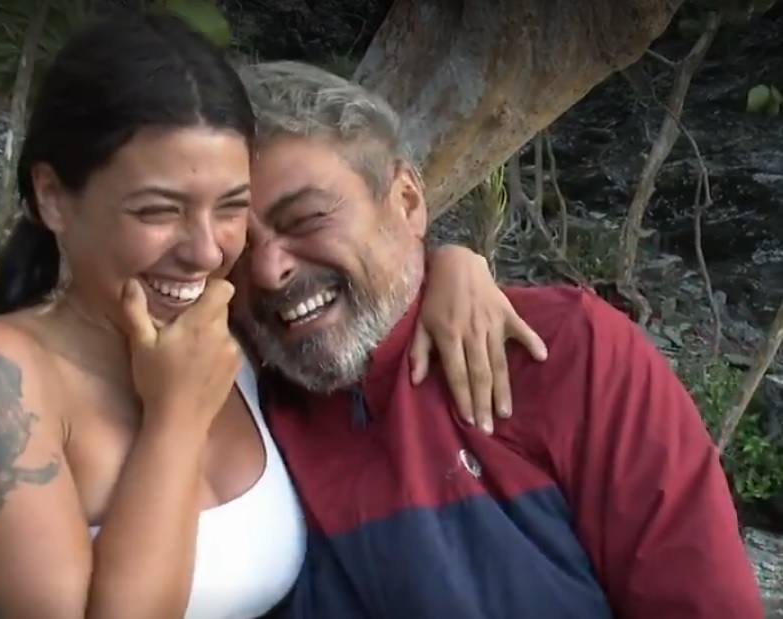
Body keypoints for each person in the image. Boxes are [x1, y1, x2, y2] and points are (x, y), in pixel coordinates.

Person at [0, 12, 547, 619]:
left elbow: (356, 289)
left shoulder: (240, 338)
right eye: (157, 211)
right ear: (54, 196)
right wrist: (175, 418)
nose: (206, 250)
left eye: (229, 209)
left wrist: (451, 267)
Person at [230, 60, 767, 619]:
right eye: (236, 244)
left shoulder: (562, 353)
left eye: (308, 219)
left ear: (408, 202)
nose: (268, 269)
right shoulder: (237, 405)